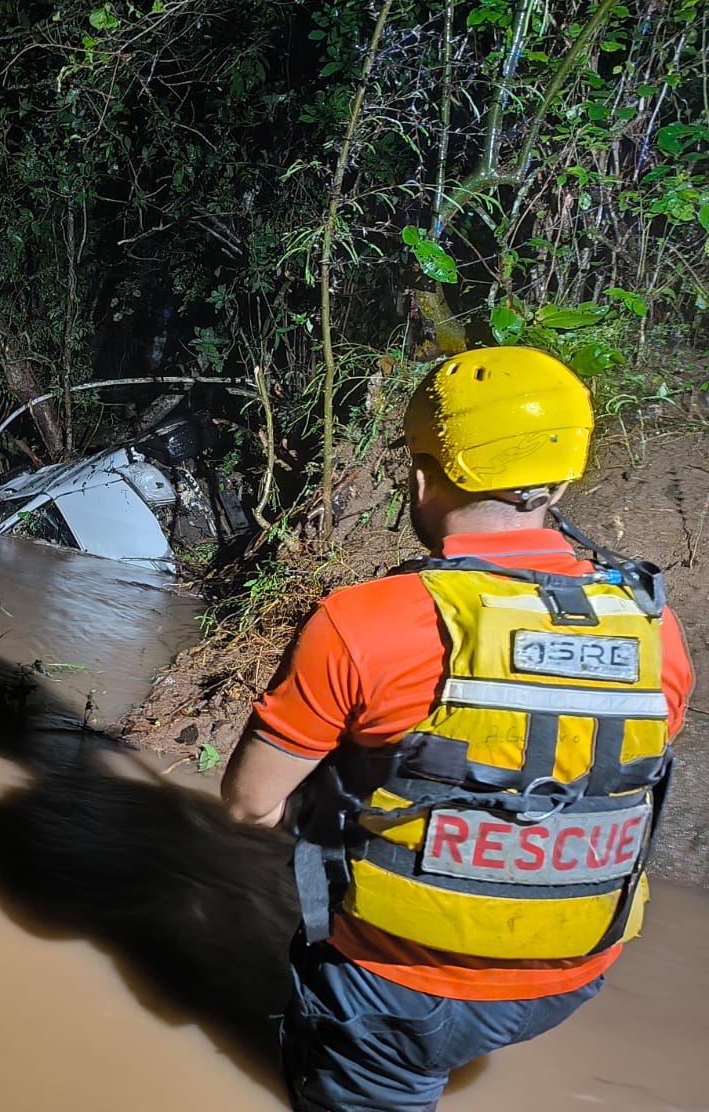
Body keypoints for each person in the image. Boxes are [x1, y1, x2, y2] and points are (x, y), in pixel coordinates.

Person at [221, 346, 695, 1112]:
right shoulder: (656, 628)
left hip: (392, 990)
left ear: (419, 474)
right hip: (568, 978)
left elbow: (248, 804)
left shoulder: (363, 621)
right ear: (564, 479)